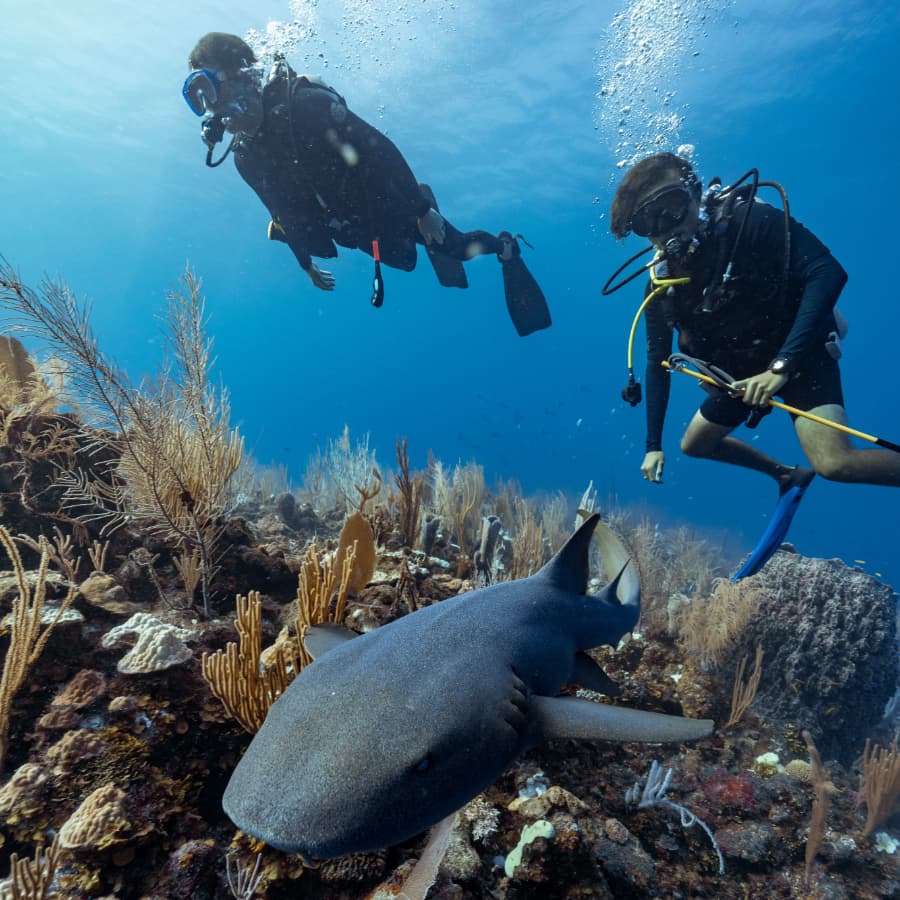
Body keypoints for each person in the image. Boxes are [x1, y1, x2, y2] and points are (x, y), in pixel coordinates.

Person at [608, 152, 900, 561]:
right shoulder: (662, 285)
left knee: (835, 463)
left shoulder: (751, 223)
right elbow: (658, 360)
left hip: (795, 353)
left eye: (672, 209)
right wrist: (652, 444)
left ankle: (813, 464)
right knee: (694, 445)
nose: (665, 229)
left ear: (695, 194)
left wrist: (781, 368)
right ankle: (787, 476)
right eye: (647, 222)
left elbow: (827, 271)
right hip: (739, 376)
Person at [182, 32, 550, 335]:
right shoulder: (245, 156)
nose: (212, 109)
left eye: (210, 88)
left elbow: (381, 150)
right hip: (352, 226)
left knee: (452, 247)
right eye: (198, 99)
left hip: (387, 201)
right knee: (404, 262)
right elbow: (278, 211)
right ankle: (414, 224)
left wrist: (422, 212)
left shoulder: (306, 107)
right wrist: (305, 264)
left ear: (244, 75)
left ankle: (505, 248)